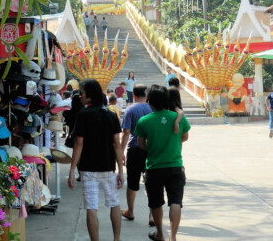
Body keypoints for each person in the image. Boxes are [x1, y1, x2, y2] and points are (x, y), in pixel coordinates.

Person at [68, 79, 124, 241]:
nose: (79, 96)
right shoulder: (111, 115)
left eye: (82, 93)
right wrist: (120, 170)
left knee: (91, 207)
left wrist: (72, 171)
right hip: (108, 167)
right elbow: (117, 145)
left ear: (90, 95)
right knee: (114, 203)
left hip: (88, 169)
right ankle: (117, 239)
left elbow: (79, 144)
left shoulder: (83, 115)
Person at [135, 85, 190, 241]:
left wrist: (153, 146)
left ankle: (160, 234)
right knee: (176, 202)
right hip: (175, 166)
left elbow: (140, 143)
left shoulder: (144, 121)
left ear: (149, 101)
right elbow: (185, 137)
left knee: (156, 202)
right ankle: (173, 237)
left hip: (154, 167)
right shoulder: (177, 117)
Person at [120, 84, 154, 226]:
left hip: (134, 149)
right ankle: (152, 215)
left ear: (133, 95)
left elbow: (126, 132)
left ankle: (131, 211)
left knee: (132, 182)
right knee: (152, 183)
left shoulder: (130, 109)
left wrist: (121, 152)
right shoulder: (152, 108)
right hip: (150, 149)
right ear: (146, 95)